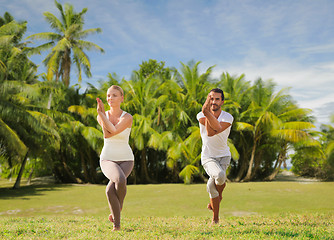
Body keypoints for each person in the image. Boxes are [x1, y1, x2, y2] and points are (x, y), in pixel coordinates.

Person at [96, 85, 134, 231]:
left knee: (109, 191)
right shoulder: (101, 115)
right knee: (120, 179)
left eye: (114, 95)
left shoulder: (127, 117)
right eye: (108, 95)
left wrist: (102, 115)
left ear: (122, 98)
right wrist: (102, 114)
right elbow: (107, 135)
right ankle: (119, 210)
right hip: (108, 159)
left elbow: (113, 130)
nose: (110, 98)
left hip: (127, 159)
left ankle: (116, 225)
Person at [196, 88, 233, 224]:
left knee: (212, 186)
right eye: (211, 98)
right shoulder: (201, 115)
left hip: (224, 156)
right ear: (207, 100)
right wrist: (205, 111)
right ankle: (217, 212)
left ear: (222, 101)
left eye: (217, 99)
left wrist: (207, 112)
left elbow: (214, 130)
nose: (214, 102)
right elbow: (210, 131)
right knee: (219, 176)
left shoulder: (227, 117)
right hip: (208, 157)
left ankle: (216, 213)